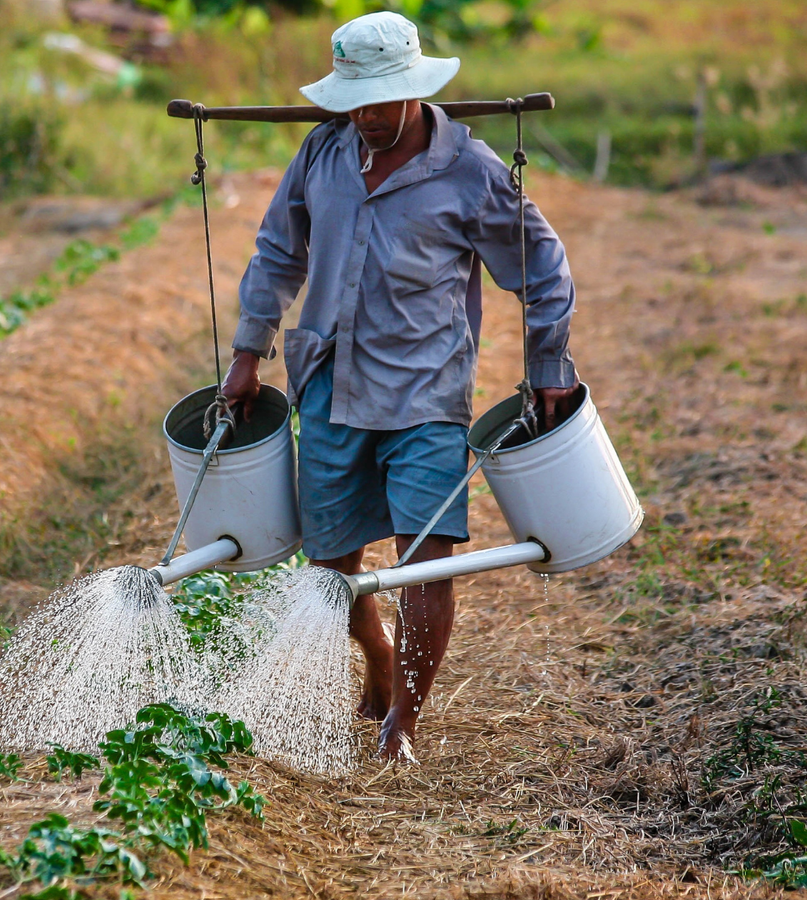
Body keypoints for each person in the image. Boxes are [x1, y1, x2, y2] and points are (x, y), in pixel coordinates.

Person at [220, 11, 579, 762]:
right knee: (330, 569)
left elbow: (543, 269)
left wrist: (547, 366)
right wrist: (248, 351)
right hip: (328, 385)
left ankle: (401, 726)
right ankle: (378, 658)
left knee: (428, 560)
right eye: (355, 101)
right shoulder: (322, 152)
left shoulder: (470, 172)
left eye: (381, 102)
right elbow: (277, 252)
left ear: (415, 91)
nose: (367, 117)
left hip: (426, 393)